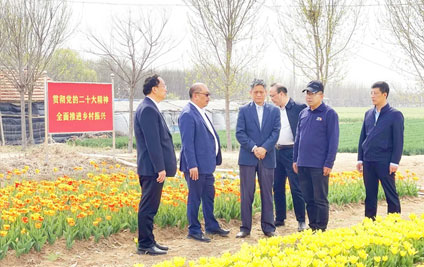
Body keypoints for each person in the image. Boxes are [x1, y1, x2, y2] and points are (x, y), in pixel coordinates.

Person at [178, 83, 230, 243]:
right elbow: (187, 143)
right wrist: (192, 165)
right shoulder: (188, 114)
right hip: (196, 167)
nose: (209, 97)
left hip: (206, 166)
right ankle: (194, 229)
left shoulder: (201, 112)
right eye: (206, 94)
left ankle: (211, 225)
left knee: (209, 196)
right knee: (195, 198)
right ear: (195, 95)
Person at [134, 74, 177, 255]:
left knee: (151, 206)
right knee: (148, 207)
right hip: (151, 168)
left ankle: (150, 240)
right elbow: (153, 142)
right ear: (154, 88)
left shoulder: (150, 107)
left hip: (151, 167)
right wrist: (160, 168)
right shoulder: (148, 109)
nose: (166, 88)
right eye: (163, 85)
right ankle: (144, 244)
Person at [235, 79, 281, 238]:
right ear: (251, 93)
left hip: (267, 157)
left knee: (267, 193)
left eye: (262, 91)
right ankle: (245, 228)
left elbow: (275, 132)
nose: (259, 94)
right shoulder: (243, 110)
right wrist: (254, 148)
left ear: (266, 93)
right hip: (248, 157)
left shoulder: (274, 111)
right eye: (256, 92)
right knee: (247, 193)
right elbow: (240, 133)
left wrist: (264, 148)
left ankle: (269, 228)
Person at [293, 80, 339, 232]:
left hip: (319, 165)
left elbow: (333, 140)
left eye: (312, 93)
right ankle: (313, 226)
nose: (309, 96)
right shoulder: (303, 113)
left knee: (320, 199)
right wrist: (295, 160)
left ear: (321, 95)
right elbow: (298, 139)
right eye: (307, 93)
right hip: (303, 163)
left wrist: (329, 163)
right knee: (309, 199)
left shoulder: (329, 113)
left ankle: (321, 229)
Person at [356, 81, 404, 220]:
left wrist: (395, 161)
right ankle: (369, 222)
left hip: (385, 161)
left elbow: (398, 140)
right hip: (368, 160)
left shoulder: (395, 115)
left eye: (376, 93)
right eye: (371, 93)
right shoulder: (368, 114)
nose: (372, 96)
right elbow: (362, 137)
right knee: (370, 194)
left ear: (385, 94)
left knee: (390, 193)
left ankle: (393, 222)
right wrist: (360, 158)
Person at [269, 83, 307, 232]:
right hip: (276, 151)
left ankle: (301, 220)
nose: (271, 99)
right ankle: (280, 218)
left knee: (296, 187)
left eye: (273, 95)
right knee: (277, 186)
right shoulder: (273, 110)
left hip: (292, 152)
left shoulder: (299, 108)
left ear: (282, 94)